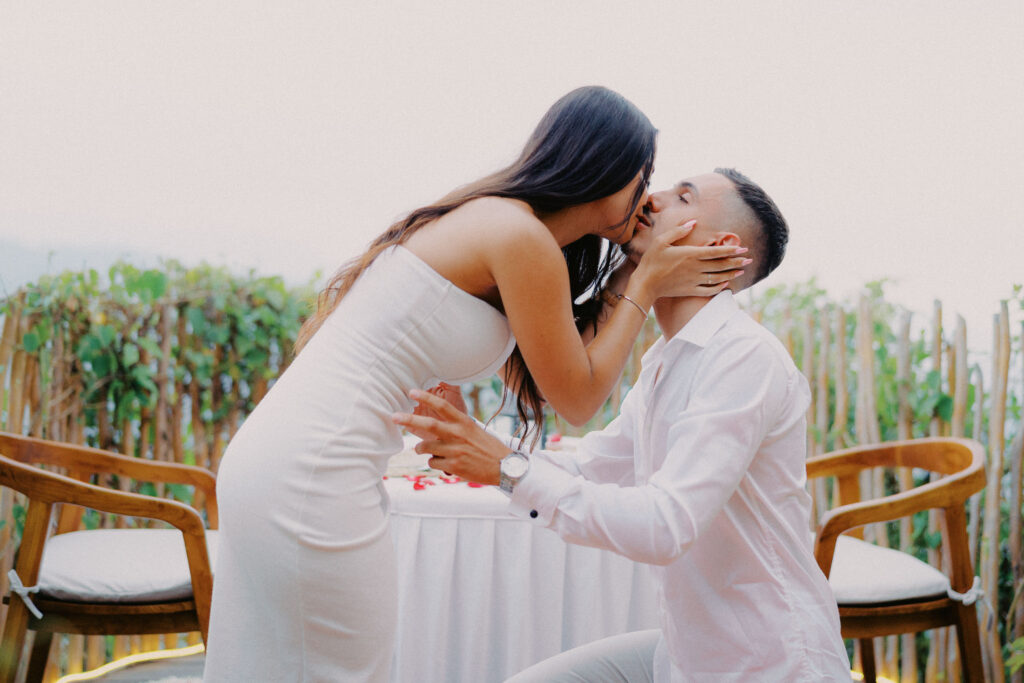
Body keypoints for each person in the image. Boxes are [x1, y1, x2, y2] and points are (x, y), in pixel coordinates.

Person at [203, 87, 750, 682]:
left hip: (286, 460)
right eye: (645, 178)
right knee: (342, 670)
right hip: (313, 474)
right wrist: (644, 284)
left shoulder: (504, 223)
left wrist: (630, 272)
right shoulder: (520, 238)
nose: (649, 199)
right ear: (604, 165)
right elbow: (579, 397)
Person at [395, 168, 852, 681]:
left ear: (721, 248)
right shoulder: (668, 356)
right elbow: (594, 466)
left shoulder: (743, 358)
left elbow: (664, 525)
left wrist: (507, 470)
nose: (650, 200)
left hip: (769, 662)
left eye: (682, 196)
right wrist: (476, 440)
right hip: (685, 659)